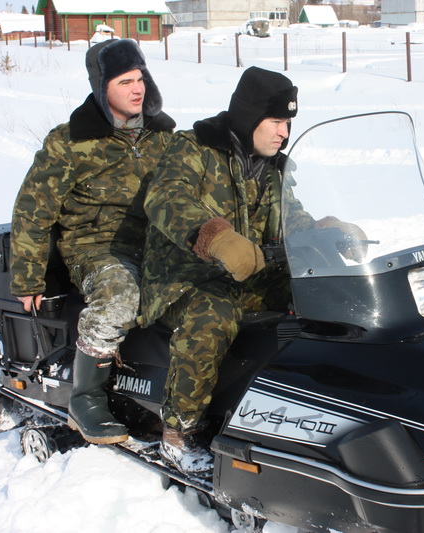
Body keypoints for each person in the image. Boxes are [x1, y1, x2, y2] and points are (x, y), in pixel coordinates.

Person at [140, 67, 316, 476]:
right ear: (250, 115)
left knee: (323, 293)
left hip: (248, 276)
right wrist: (215, 237)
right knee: (213, 316)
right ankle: (179, 432)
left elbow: (292, 216)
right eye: (276, 121)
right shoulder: (193, 149)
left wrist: (326, 233)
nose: (283, 132)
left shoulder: (273, 168)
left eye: (288, 122)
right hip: (183, 279)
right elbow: (166, 198)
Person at [9, 39, 176, 446]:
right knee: (121, 296)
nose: (137, 89)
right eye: (124, 82)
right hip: (94, 248)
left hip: (153, 244)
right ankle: (86, 398)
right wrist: (28, 278)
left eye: (140, 79)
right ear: (102, 88)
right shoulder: (70, 142)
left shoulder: (163, 136)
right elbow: (33, 210)